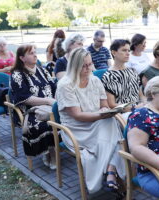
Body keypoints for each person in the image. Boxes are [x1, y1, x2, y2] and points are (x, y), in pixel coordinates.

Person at [56, 47, 125, 194]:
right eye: (84, 65)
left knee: (112, 122)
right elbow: (77, 115)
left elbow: (104, 105)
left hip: (98, 123)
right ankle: (111, 172)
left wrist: (106, 111)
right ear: (74, 66)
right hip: (76, 129)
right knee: (117, 135)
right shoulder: (65, 85)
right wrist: (102, 115)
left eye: (90, 64)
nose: (89, 68)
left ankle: (110, 171)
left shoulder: (95, 80)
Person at [10, 44, 57, 169]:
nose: (35, 55)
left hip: (50, 106)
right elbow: (24, 98)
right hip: (29, 111)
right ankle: (50, 153)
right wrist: (47, 100)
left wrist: (57, 100)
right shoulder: (17, 74)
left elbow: (54, 87)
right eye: (31, 53)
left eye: (35, 52)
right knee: (44, 124)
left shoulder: (42, 70)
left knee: (66, 117)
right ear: (22, 58)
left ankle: (58, 149)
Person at [101, 39, 145, 118]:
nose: (128, 53)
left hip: (140, 109)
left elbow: (141, 95)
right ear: (114, 52)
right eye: (124, 50)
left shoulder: (133, 71)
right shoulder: (109, 76)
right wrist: (133, 108)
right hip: (123, 114)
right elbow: (111, 105)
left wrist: (145, 104)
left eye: (128, 50)